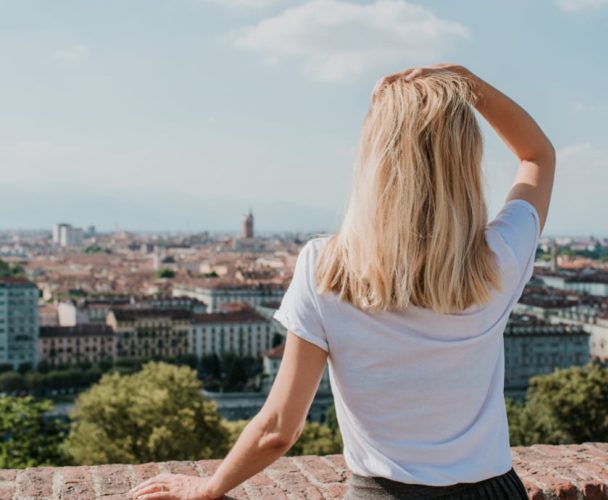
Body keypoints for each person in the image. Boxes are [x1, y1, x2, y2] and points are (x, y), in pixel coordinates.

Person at [127, 63, 555, 500]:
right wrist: (469, 84)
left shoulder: (325, 268)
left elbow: (279, 429)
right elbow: (537, 154)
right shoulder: (502, 257)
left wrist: (208, 487)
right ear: (466, 160)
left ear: (375, 161)